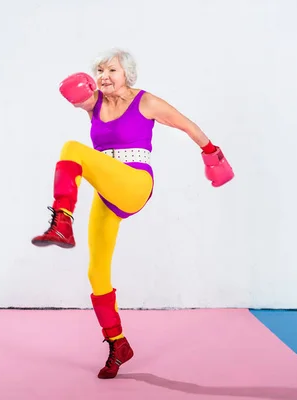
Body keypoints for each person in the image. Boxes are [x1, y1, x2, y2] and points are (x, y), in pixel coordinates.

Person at [31, 48, 234, 379]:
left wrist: (212, 154)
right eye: (100, 71)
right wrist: (76, 93)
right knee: (97, 272)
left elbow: (187, 125)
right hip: (106, 189)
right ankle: (118, 343)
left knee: (71, 149)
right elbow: (77, 97)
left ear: (127, 73)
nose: (104, 76)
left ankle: (62, 220)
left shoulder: (145, 102)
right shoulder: (95, 103)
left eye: (111, 69)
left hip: (134, 183)